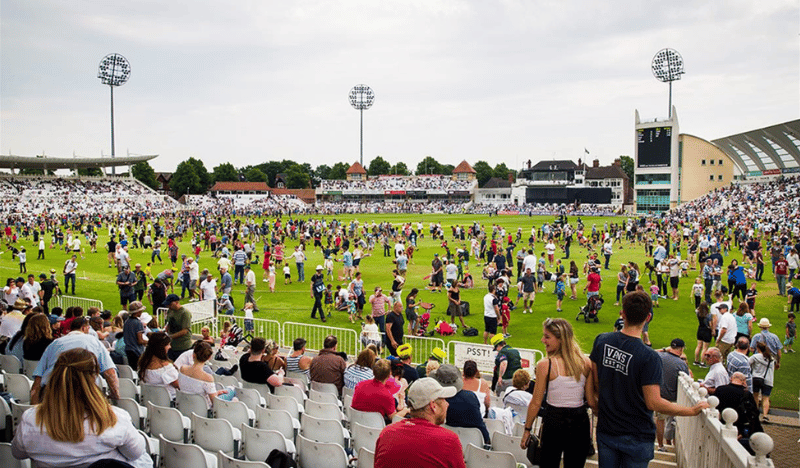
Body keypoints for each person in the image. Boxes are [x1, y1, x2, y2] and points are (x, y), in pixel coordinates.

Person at [590, 291, 707, 467]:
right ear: (648, 317)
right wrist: (691, 410)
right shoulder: (649, 357)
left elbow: (595, 380)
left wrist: (597, 403)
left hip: (607, 428)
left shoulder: (602, 340)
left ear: (622, 313)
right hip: (636, 434)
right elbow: (654, 402)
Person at [11, 348, 151, 468]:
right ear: (94, 378)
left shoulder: (31, 419)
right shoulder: (114, 419)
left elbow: (18, 452)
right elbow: (136, 453)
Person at [521, 318, 595, 468]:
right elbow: (592, 401)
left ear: (561, 339)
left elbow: (536, 402)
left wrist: (527, 430)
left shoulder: (545, 365)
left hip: (554, 421)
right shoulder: (586, 362)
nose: (543, 340)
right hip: (579, 421)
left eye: (547, 337)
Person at [374, 377, 464, 468]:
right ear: (433, 406)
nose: (447, 404)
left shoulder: (386, 433)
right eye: (444, 399)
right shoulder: (448, 441)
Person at [31, 316, 119, 404]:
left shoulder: (55, 343)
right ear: (84, 328)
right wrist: (115, 396)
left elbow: (39, 378)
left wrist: (33, 407)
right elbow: (110, 372)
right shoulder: (94, 341)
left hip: (54, 394)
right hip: (82, 395)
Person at [430, 363, 490, 444]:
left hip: (445, 443)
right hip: (469, 445)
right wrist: (487, 440)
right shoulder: (470, 397)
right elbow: (480, 425)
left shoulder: (434, 400)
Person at [714, 371, 763, 455]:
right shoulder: (747, 394)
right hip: (739, 431)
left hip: (721, 426)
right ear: (744, 381)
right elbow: (754, 414)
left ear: (731, 379)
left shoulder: (720, 390)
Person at [655, 338, 690, 452]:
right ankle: (669, 444)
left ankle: (660, 445)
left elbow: (652, 351)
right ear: (681, 349)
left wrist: (664, 349)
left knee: (660, 421)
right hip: (673, 397)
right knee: (673, 422)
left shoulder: (660, 356)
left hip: (657, 394)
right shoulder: (681, 363)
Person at [179, 341, 235, 408]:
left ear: (193, 354)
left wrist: (216, 393)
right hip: (203, 408)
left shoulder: (182, 369)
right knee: (231, 389)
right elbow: (215, 402)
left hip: (186, 405)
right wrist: (216, 394)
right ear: (209, 357)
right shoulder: (207, 377)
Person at [137, 332, 180, 400]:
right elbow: (180, 386)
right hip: (170, 402)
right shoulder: (166, 368)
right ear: (161, 347)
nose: (170, 347)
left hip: (151, 400)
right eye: (168, 344)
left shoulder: (143, 363)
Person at [749, 341, 776, 422]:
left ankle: (755, 413)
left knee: (755, 396)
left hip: (756, 378)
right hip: (768, 380)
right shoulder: (771, 358)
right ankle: (765, 415)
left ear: (758, 348)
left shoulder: (755, 357)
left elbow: (747, 364)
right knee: (766, 398)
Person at [162, 293, 192, 361]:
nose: (168, 306)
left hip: (183, 346)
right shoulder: (170, 311)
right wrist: (165, 329)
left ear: (176, 302)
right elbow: (169, 322)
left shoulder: (185, 313)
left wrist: (170, 336)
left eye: (170, 304)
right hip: (172, 346)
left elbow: (185, 330)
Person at [123, 301, 148, 371]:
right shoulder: (138, 323)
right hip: (136, 351)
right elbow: (140, 340)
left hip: (128, 350)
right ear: (138, 312)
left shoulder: (127, 321)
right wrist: (150, 342)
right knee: (139, 370)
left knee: (132, 370)